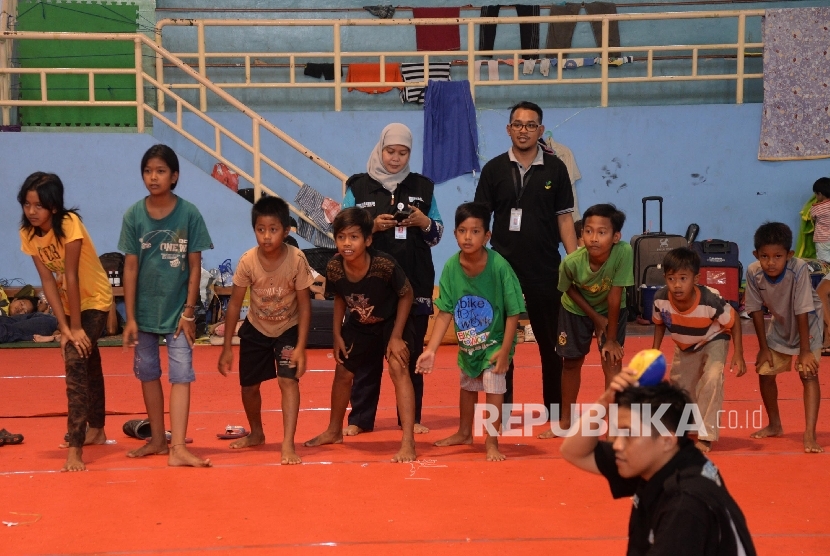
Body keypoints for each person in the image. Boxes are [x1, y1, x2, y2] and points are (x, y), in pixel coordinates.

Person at [560, 371, 757, 556]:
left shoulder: (685, 505)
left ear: (666, 440)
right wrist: (604, 401)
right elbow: (573, 451)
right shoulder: (666, 457)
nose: (617, 444)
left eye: (628, 434)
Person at [474, 100, 578, 438]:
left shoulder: (555, 169)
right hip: (501, 270)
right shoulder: (493, 170)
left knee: (552, 343)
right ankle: (501, 414)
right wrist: (477, 259)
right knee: (501, 344)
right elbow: (479, 220)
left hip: (545, 268)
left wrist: (574, 261)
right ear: (508, 129)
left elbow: (565, 217)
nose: (523, 129)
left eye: (530, 125)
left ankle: (556, 413)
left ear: (540, 131)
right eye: (517, 124)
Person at [341, 123, 443, 436]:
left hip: (413, 283)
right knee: (366, 356)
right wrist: (372, 226)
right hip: (368, 286)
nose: (396, 158)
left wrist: (423, 221)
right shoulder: (358, 186)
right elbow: (344, 230)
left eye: (403, 152)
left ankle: (410, 419)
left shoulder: (424, 186)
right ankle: (360, 418)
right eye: (390, 151)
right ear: (380, 148)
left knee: (408, 353)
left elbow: (436, 235)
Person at [119, 144, 213, 467]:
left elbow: (195, 265)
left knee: (181, 375)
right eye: (148, 171)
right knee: (147, 373)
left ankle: (179, 448)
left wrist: (189, 312)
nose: (153, 177)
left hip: (178, 315)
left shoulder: (189, 214)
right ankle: (158, 440)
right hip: (144, 312)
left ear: (174, 176)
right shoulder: (133, 215)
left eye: (160, 171)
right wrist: (130, 317)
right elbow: (130, 268)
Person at [303, 207, 418, 463]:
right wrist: (337, 334)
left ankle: (408, 440)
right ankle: (334, 430)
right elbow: (340, 297)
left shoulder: (384, 265)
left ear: (367, 240)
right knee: (343, 372)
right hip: (358, 324)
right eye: (342, 237)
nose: (347, 243)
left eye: (354, 237)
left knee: (399, 368)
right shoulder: (334, 267)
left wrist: (397, 336)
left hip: (390, 322)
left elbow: (406, 294)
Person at [17, 172, 113, 471]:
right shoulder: (29, 234)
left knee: (75, 360)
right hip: (70, 305)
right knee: (89, 359)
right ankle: (96, 428)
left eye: (38, 206)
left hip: (94, 300)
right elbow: (47, 280)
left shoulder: (70, 224)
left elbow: (70, 275)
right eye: (27, 204)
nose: (31, 211)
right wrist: (64, 324)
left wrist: (74, 329)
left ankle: (76, 444)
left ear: (54, 207)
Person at [416, 202, 525, 461]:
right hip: (469, 342)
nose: (468, 237)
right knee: (468, 385)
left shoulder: (499, 266)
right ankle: (464, 432)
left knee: (494, 387)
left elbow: (513, 312)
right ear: (455, 234)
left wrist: (505, 351)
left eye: (475, 231)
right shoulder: (452, 267)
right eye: (463, 231)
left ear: (487, 236)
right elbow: (445, 312)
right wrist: (430, 349)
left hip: (496, 341)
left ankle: (491, 440)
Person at [218, 196, 313, 464]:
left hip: (288, 328)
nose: (267, 236)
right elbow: (235, 305)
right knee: (248, 386)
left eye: (273, 230)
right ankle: (256, 433)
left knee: (287, 380)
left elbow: (305, 307)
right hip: (257, 327)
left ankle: (287, 443)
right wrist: (226, 347)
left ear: (285, 230)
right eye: (261, 230)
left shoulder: (297, 259)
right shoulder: (248, 261)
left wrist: (302, 348)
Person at [652, 247, 747, 452]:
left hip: (713, 338)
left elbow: (734, 320)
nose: (677, 285)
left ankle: (707, 434)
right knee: (681, 388)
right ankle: (687, 427)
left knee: (712, 379)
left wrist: (738, 353)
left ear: (696, 279)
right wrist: (654, 351)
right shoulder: (660, 298)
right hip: (685, 344)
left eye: (683, 278)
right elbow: (659, 323)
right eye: (671, 279)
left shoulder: (709, 300)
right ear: (665, 278)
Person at [745, 222, 823, 453]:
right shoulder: (752, 272)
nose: (771, 262)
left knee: (808, 374)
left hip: (808, 325)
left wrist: (805, 351)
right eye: (765, 256)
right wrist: (763, 347)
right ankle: (774, 424)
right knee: (765, 372)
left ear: (789, 255)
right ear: (756, 255)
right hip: (779, 325)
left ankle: (809, 433)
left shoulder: (798, 269)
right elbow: (755, 310)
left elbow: (802, 309)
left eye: (777, 256)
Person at [555, 203, 633, 433]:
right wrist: (595, 319)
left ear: (616, 236)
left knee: (612, 361)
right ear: (581, 234)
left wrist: (610, 338)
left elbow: (615, 297)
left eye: (602, 232)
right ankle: (565, 421)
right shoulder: (570, 262)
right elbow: (567, 289)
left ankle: (613, 426)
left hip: (611, 309)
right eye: (588, 231)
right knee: (571, 363)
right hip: (575, 310)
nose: (594, 238)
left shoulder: (624, 252)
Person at [808, 177, 830, 263]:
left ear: (820, 194)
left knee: (823, 261)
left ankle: (826, 275)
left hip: (822, 239)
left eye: (815, 194)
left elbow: (812, 217)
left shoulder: (816, 207)